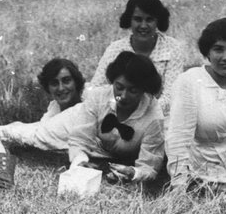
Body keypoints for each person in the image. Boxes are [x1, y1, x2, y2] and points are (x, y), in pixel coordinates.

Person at [165, 18, 226, 193]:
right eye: (218, 49)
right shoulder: (189, 81)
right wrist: (179, 185)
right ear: (207, 52)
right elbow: (178, 138)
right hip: (198, 176)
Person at [61, 51, 166, 184]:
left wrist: (134, 173)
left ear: (144, 90)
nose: (123, 96)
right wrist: (80, 162)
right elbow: (79, 140)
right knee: (38, 135)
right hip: (74, 123)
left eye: (133, 90)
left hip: (109, 153)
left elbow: (149, 167)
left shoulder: (154, 118)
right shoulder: (97, 97)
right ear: (113, 82)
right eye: (119, 87)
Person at [89, 0, 188, 114]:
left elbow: (170, 97)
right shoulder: (115, 49)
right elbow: (95, 89)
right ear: (129, 20)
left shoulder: (172, 48)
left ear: (158, 21)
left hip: (158, 117)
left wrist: (141, 113)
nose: (143, 25)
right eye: (138, 19)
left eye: (149, 20)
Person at [0, 59, 86, 153]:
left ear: (76, 82)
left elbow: (39, 135)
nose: (61, 88)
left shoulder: (85, 108)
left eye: (66, 81)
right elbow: (42, 127)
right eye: (54, 83)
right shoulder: (55, 107)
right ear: (48, 87)